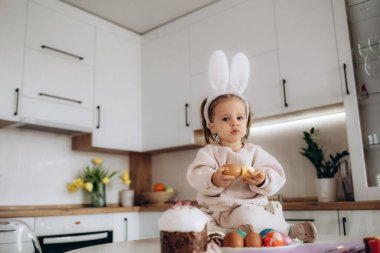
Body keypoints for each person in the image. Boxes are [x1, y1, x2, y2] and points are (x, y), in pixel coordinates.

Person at [187, 50, 317, 243]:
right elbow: (196, 176)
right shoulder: (208, 153)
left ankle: (288, 230)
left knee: (248, 216)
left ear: (247, 121)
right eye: (225, 118)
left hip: (246, 209)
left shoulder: (254, 152)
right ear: (211, 125)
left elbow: (277, 175)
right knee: (191, 222)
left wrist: (262, 179)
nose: (234, 123)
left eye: (240, 117)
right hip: (215, 212)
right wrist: (213, 178)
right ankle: (224, 236)